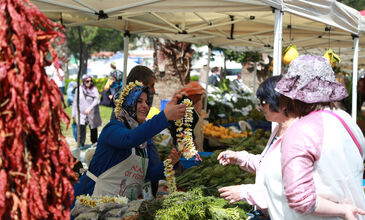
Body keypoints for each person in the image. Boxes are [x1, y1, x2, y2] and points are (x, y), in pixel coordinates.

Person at [270, 55, 365, 219]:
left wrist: (342, 210)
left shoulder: (300, 131)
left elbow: (301, 200)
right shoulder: (346, 120)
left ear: (292, 95)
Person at [72, 82, 186, 206]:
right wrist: (164, 117)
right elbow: (129, 139)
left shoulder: (144, 142)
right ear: (128, 103)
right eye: (139, 101)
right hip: (91, 200)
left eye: (147, 102)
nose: (145, 106)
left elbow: (149, 175)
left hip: (119, 209)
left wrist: (170, 162)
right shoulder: (112, 129)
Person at [217, 75, 296, 218]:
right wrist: (240, 158)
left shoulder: (297, 138)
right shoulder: (278, 129)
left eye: (264, 101)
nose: (261, 106)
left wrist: (244, 192)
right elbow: (268, 166)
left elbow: (286, 191)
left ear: (282, 103)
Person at [169, 81, 206, 152]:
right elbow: (185, 126)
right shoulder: (184, 106)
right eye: (199, 96)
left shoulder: (185, 104)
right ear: (193, 95)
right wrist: (191, 142)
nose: (199, 98)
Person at [72, 75, 102, 150]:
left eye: (91, 81)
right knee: (81, 129)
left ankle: (94, 144)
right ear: (83, 81)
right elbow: (75, 102)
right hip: (81, 114)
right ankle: (81, 144)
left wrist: (89, 108)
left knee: (93, 128)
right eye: (87, 81)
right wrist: (73, 114)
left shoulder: (94, 89)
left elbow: (96, 100)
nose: (90, 83)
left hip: (92, 113)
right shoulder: (78, 90)